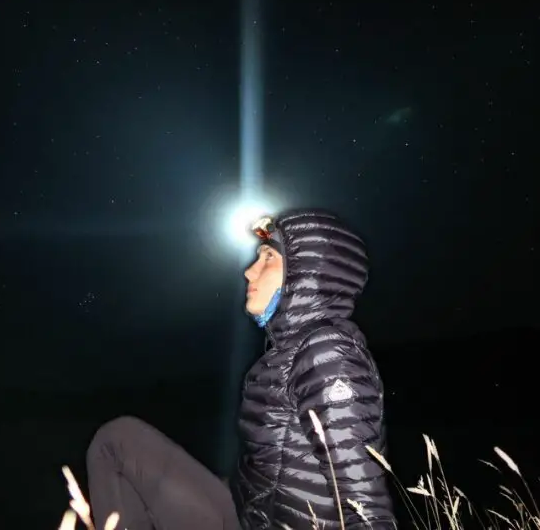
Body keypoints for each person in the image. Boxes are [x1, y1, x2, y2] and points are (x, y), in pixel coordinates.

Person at [86, 209, 395, 529]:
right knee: (118, 443)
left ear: (307, 273)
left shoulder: (327, 353)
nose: (250, 272)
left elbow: (362, 496)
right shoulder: (289, 351)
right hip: (247, 515)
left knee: (116, 441)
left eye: (268, 258)